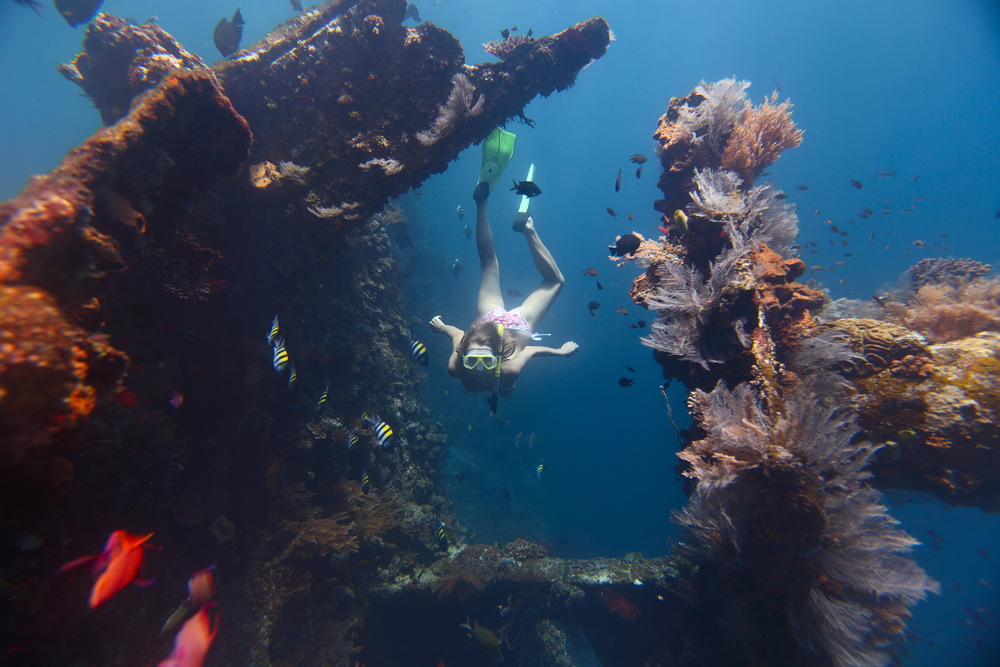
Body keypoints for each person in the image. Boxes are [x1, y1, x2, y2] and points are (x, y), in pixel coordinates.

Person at [429, 129, 578, 411]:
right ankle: (484, 203)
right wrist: (558, 352)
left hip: (509, 325)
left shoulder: (463, 367)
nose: (480, 368)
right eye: (479, 362)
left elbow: (457, 334)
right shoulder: (495, 369)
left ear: (464, 357)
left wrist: (560, 352)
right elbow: (460, 334)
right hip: (490, 318)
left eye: (476, 361)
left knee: (555, 281)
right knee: (491, 263)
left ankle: (525, 227)